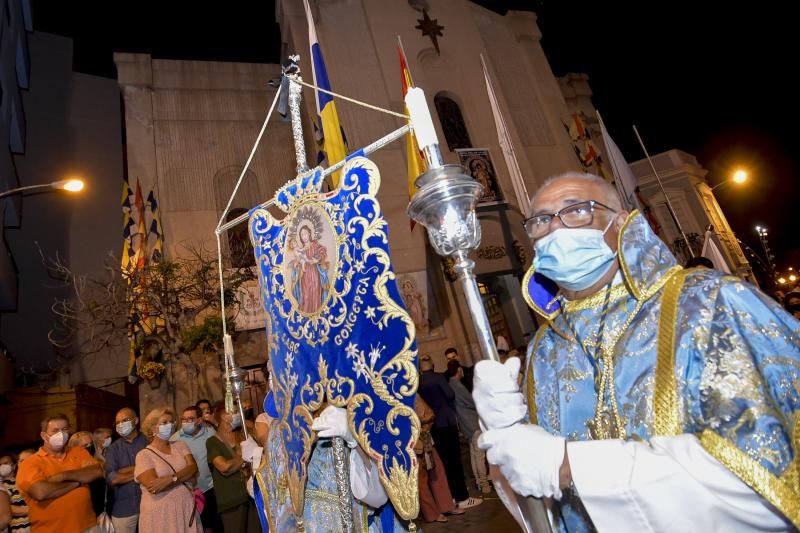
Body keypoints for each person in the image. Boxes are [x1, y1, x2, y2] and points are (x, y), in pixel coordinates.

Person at [474, 172, 800, 531]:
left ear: (621, 225)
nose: (554, 228)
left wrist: (573, 466)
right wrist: (505, 433)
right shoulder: (543, 350)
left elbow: (770, 477)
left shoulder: (710, 304)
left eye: (577, 210)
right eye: (540, 220)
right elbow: (540, 499)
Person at [15, 413, 103, 533]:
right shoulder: (30, 463)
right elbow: (40, 492)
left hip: (88, 526)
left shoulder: (79, 452)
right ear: (44, 435)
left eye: (64, 429)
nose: (61, 434)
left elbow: (97, 471)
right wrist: (78, 482)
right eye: (55, 430)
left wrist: (63, 476)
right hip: (52, 530)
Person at [417, 355, 482, 511]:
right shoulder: (439, 378)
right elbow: (450, 394)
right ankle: (462, 497)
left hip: (433, 427)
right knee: (455, 461)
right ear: (432, 364)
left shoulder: (419, 382)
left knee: (444, 463)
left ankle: (451, 496)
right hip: (446, 422)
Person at [134, 407, 201, 533]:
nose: (169, 425)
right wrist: (184, 475)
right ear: (153, 428)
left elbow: (193, 470)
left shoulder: (180, 445)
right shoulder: (143, 455)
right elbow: (154, 486)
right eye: (164, 422)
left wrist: (171, 479)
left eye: (171, 422)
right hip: (161, 515)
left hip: (185, 508)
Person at [206, 403, 259, 533]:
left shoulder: (243, 434)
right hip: (232, 501)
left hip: (251, 496)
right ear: (223, 417)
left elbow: (258, 454)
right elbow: (224, 467)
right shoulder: (213, 442)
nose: (237, 414)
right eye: (233, 412)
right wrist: (246, 456)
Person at [171, 405, 220, 533]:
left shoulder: (210, 433)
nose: (186, 422)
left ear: (199, 420)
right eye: (184, 419)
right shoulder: (175, 439)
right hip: (188, 490)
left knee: (211, 525)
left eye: (190, 419)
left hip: (209, 488)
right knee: (194, 526)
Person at [413, 397, 461, 523]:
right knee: (421, 479)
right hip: (413, 441)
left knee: (437, 471)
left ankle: (446, 505)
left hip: (426, 437)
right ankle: (431, 513)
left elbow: (428, 414)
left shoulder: (411, 390)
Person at [446, 360, 490, 494]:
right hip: (472, 422)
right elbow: (472, 401)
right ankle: (484, 483)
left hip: (465, 424)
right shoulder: (457, 385)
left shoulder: (450, 384)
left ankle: (479, 482)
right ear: (459, 369)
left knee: (473, 454)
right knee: (479, 455)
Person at [106, 407, 147, 533]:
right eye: (117, 422)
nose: (120, 425)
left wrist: (124, 471)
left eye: (125, 420)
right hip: (124, 508)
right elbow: (114, 478)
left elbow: (157, 468)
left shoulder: (149, 441)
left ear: (136, 420)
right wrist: (142, 470)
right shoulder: (113, 449)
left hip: (149, 504)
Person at [67, 431, 107, 518]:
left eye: (90, 444)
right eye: (85, 446)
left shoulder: (101, 461)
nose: (89, 447)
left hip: (100, 508)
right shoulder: (70, 466)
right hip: (81, 510)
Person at [0, 453, 28, 533]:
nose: (2, 466)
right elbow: (5, 510)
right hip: (18, 529)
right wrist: (31, 510)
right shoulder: (2, 487)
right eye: (0, 464)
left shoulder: (22, 481)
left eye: (5, 463)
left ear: (14, 465)